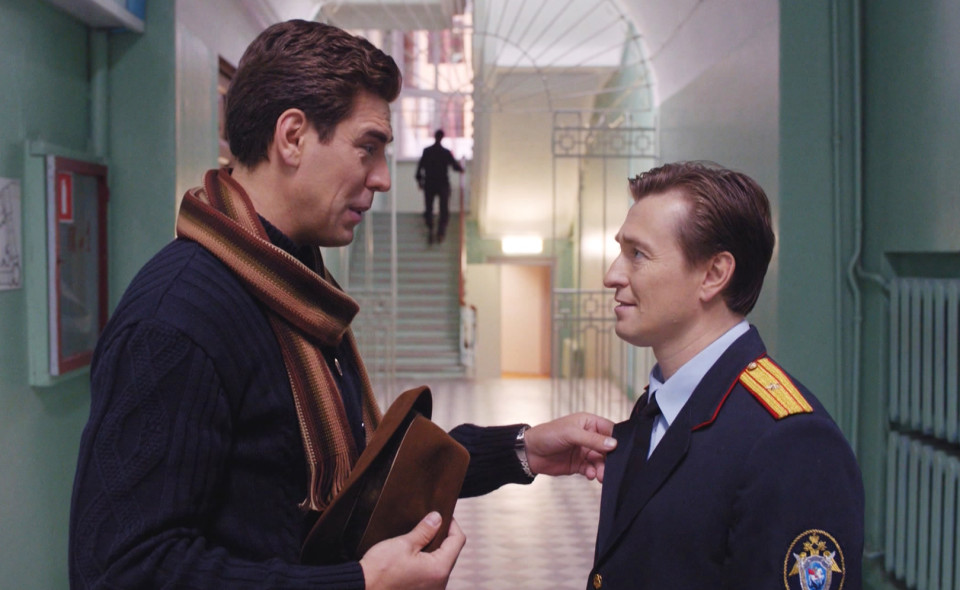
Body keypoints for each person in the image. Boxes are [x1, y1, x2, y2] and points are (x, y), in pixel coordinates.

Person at [68, 20, 616, 590]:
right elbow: (121, 570)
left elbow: (361, 475)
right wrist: (359, 584)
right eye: (368, 148)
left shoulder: (293, 283)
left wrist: (521, 450)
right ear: (292, 137)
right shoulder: (178, 319)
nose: (382, 179)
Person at [589, 162, 864, 590]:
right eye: (620, 250)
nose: (612, 275)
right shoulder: (658, 405)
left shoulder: (790, 441)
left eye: (637, 254)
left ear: (713, 274)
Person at [415, 129, 463, 244]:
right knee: (443, 209)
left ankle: (431, 230)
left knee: (429, 208)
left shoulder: (427, 151)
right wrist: (461, 169)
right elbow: (454, 166)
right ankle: (440, 233)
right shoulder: (445, 152)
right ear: (442, 138)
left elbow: (419, 168)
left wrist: (420, 181)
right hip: (442, 184)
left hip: (430, 184)